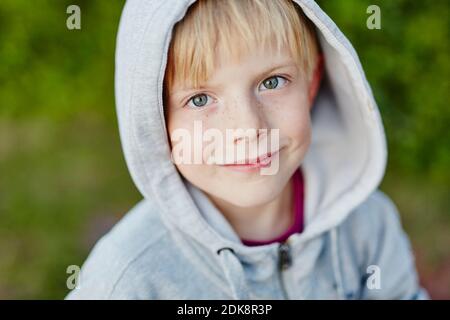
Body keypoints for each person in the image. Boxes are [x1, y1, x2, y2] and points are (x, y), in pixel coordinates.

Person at [66, 0, 427, 299]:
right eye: (200, 99)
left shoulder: (367, 224)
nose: (249, 129)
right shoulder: (128, 278)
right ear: (154, 120)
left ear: (312, 83)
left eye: (272, 82)